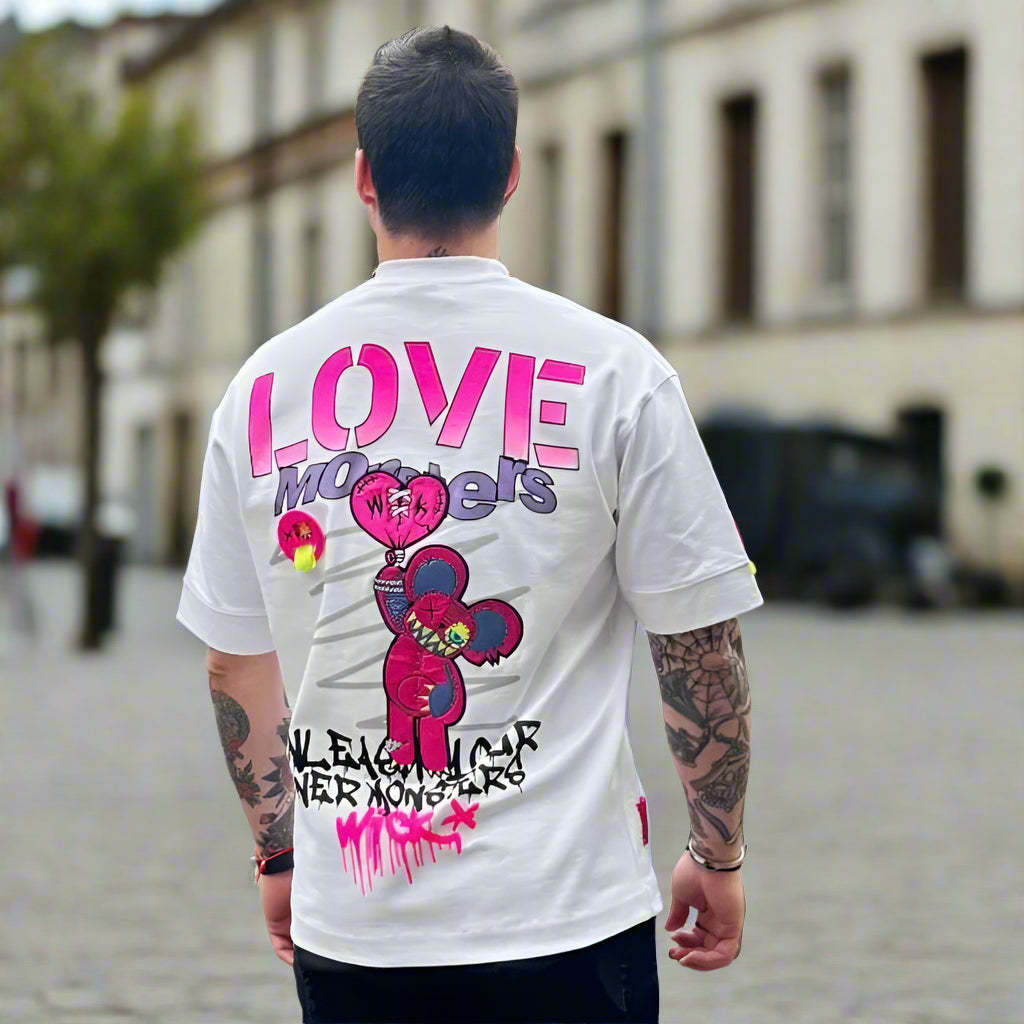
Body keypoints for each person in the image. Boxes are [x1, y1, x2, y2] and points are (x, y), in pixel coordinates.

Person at [177, 25, 760, 1024]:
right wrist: (718, 851)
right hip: (568, 919)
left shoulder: (263, 389)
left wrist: (278, 853)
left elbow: (237, 662)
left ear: (364, 177)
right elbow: (698, 645)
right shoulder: (618, 374)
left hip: (358, 926)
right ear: (511, 175)